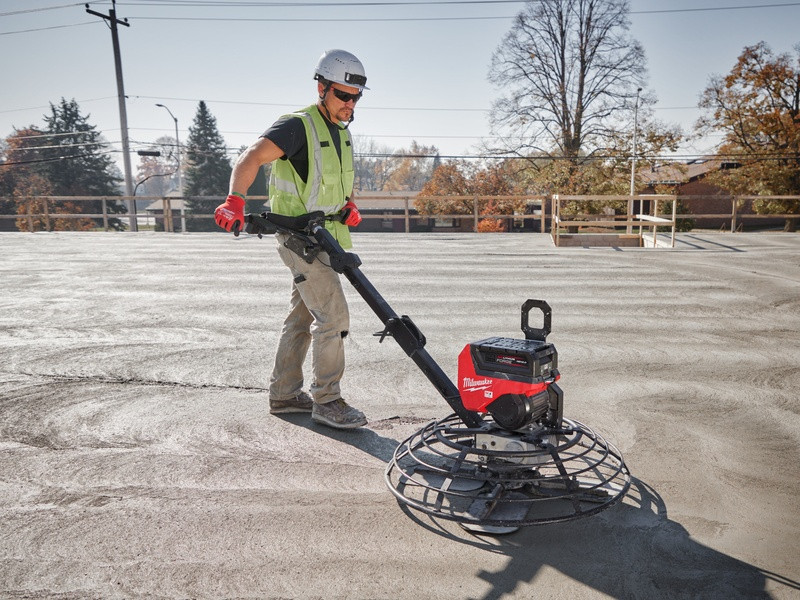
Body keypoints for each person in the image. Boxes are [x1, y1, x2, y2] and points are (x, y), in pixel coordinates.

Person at [214, 49, 368, 430]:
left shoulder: (341, 133)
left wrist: (347, 205)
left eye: (355, 97)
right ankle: (327, 400)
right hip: (300, 239)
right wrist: (235, 200)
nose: (350, 104)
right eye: (343, 95)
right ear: (321, 88)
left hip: (327, 236)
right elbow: (251, 157)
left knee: (303, 315)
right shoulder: (298, 126)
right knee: (333, 316)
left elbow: (330, 183)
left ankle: (284, 393)